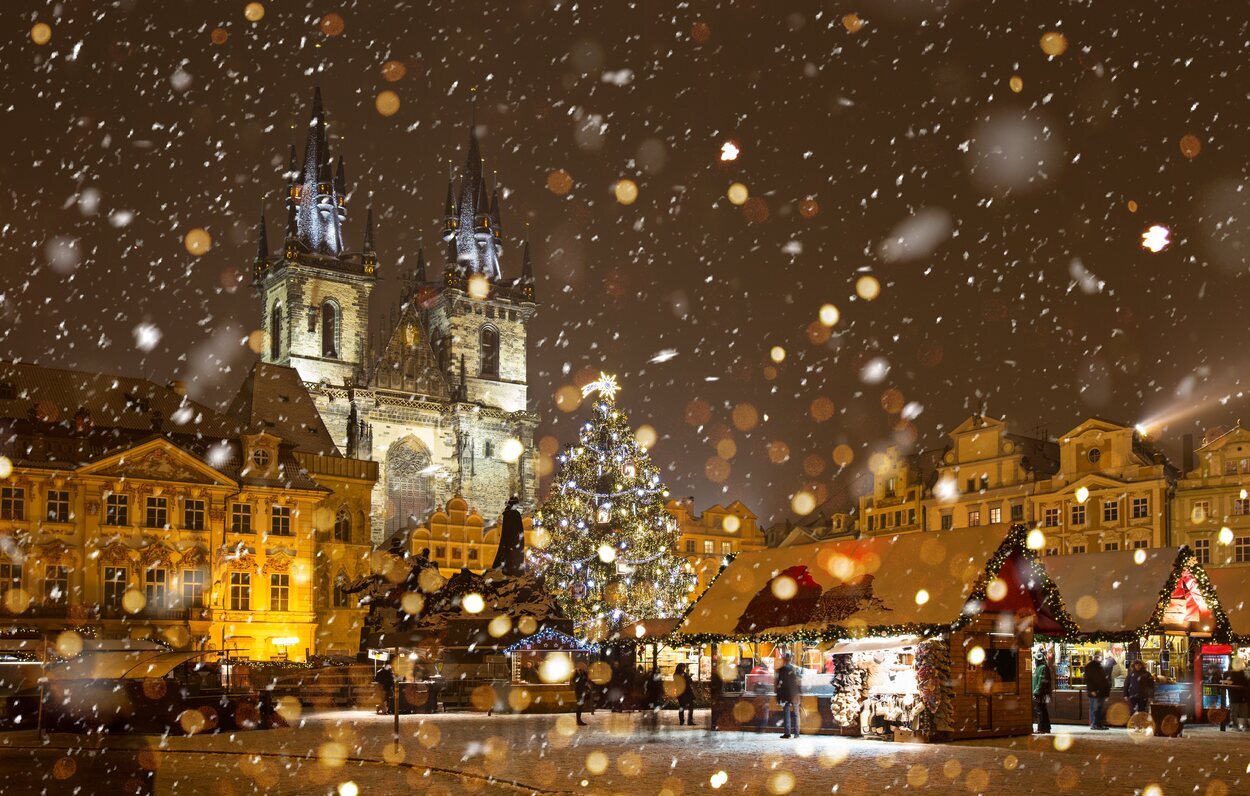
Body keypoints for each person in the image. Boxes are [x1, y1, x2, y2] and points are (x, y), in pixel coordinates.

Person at [775, 652, 801, 739]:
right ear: (791, 659)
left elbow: (779, 683)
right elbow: (799, 682)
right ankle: (797, 733)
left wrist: (778, 695)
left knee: (787, 713)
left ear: (784, 659)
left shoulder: (782, 669)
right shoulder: (796, 669)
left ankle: (787, 733)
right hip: (795, 693)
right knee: (796, 714)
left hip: (786, 694)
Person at [1084, 651, 1111, 729]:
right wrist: (1092, 690)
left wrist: (1106, 694)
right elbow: (1088, 679)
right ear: (1094, 657)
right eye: (1097, 656)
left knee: (1099, 709)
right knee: (1095, 708)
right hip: (1095, 692)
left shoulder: (1100, 666)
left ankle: (1099, 724)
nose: (1099, 658)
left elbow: (1104, 681)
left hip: (1101, 692)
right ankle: (1094, 724)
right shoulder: (1090, 666)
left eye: (1099, 656)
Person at [1031, 650, 1053, 734]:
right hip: (1041, 692)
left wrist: (1036, 692)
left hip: (1041, 693)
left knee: (1039, 710)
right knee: (1042, 710)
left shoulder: (1042, 668)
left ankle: (1041, 728)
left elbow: (1041, 682)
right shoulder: (1040, 668)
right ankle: (1046, 728)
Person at [1226, 665, 1250, 730]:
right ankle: (1246, 726)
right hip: (1243, 697)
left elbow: (1229, 685)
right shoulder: (1243, 675)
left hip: (1234, 697)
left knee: (1234, 712)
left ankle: (1235, 725)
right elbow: (1247, 684)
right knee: (1244, 712)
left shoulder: (1231, 676)